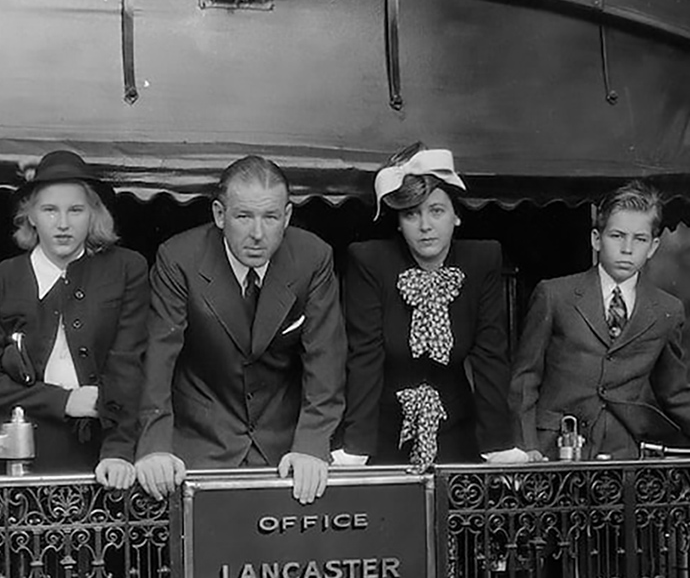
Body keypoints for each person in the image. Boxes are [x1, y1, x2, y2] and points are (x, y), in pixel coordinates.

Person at [135, 155, 346, 504]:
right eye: (244, 217)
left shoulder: (313, 257)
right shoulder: (179, 258)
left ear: (287, 217)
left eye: (270, 217)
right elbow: (158, 355)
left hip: (285, 449)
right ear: (220, 215)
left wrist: (311, 445)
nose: (258, 234)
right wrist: (154, 447)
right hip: (200, 443)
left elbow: (326, 358)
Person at [335, 144, 518, 471]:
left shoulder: (482, 260)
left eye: (436, 211)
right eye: (411, 214)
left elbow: (491, 359)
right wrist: (356, 447)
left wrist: (499, 445)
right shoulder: (370, 262)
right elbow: (364, 359)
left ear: (456, 216)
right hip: (384, 432)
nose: (425, 226)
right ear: (398, 222)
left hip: (458, 427)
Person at [510, 180, 690, 460]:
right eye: (617, 236)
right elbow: (525, 379)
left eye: (640, 239)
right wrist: (527, 447)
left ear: (653, 246)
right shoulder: (554, 295)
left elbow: (675, 393)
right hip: (553, 450)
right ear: (596, 239)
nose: (627, 248)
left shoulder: (667, 310)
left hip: (624, 453)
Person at [0, 150, 149, 486]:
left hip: (101, 451)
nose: (63, 224)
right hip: (16, 455)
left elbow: (127, 365)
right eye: (50, 210)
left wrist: (118, 451)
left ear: (93, 214)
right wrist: (63, 400)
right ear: (30, 215)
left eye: (76, 210)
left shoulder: (126, 269)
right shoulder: (5, 278)